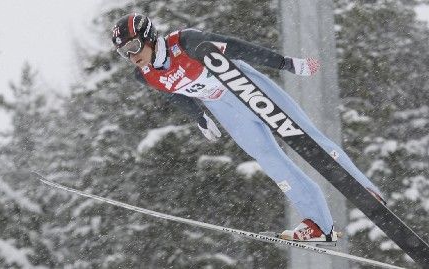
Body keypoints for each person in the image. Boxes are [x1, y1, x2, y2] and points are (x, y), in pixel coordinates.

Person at [111, 13, 385, 243]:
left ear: (148, 36)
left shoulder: (185, 42)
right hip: (222, 107)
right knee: (269, 160)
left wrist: (286, 63)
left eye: (133, 46)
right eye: (124, 52)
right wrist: (199, 117)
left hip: (242, 85)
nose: (131, 56)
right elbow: (173, 92)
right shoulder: (144, 75)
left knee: (303, 135)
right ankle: (320, 225)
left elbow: (236, 47)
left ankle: (363, 187)